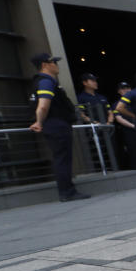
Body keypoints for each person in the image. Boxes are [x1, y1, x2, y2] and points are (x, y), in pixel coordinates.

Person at [28, 53, 90, 202]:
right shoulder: (46, 82)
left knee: (61, 158)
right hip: (56, 124)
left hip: (55, 124)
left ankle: (67, 191)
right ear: (45, 64)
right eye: (53, 62)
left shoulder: (44, 82)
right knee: (62, 159)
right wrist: (38, 122)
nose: (56, 65)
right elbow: (43, 106)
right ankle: (67, 192)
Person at [112, 81, 136, 181]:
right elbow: (118, 118)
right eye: (124, 88)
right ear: (119, 91)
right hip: (129, 132)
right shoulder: (117, 104)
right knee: (134, 154)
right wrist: (133, 126)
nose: (127, 90)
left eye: (128, 88)